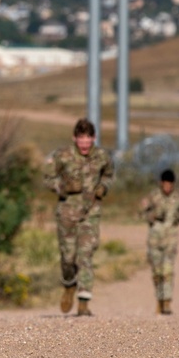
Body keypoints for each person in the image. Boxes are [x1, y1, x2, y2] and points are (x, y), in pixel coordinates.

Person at [43, 118, 114, 317]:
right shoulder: (62, 156)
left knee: (86, 255)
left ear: (94, 138)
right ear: (74, 138)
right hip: (67, 213)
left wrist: (103, 188)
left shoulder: (102, 157)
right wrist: (63, 187)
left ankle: (84, 302)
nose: (84, 143)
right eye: (81, 139)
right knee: (68, 257)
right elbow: (48, 178)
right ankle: (68, 284)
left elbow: (109, 175)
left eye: (88, 139)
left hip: (91, 213)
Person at [139, 169, 179, 315]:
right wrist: (152, 215)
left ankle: (167, 302)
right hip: (155, 238)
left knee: (168, 271)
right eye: (165, 184)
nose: (168, 187)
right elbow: (141, 213)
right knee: (157, 272)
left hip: (171, 239)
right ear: (161, 183)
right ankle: (159, 300)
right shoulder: (153, 196)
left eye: (170, 185)